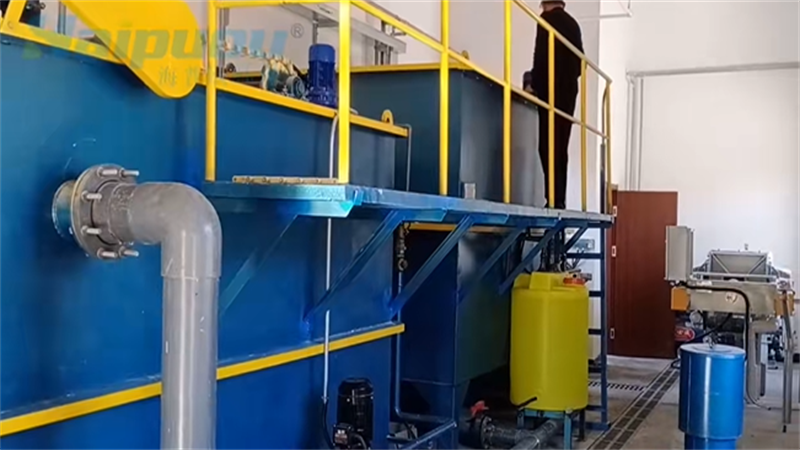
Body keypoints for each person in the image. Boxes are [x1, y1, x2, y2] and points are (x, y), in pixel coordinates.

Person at [529, 0, 583, 210]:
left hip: (551, 92)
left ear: (545, 5)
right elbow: (580, 65)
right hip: (568, 93)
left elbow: (541, 56)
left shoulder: (546, 20)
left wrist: (534, 84)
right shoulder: (573, 24)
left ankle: (552, 198)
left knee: (546, 146)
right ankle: (559, 199)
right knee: (561, 146)